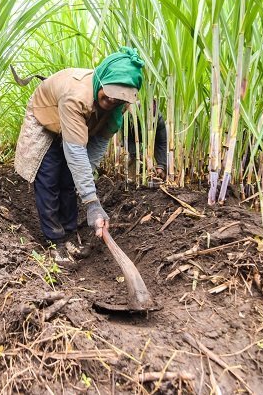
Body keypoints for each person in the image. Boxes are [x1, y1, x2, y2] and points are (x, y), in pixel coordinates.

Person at [14, 47, 168, 263]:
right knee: (49, 177)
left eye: (119, 98)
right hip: (48, 118)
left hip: (78, 126)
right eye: (110, 94)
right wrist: (93, 204)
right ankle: (54, 240)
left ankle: (68, 232)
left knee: (69, 180)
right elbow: (75, 151)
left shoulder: (118, 106)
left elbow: (96, 146)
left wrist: (86, 187)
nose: (113, 101)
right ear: (102, 80)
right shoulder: (76, 96)